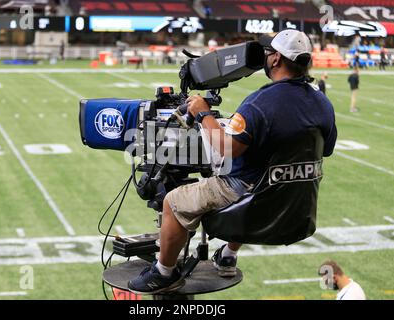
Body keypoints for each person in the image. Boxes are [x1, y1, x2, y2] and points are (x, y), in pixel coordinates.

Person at [128, 30, 337, 294]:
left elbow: (226, 148)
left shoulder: (260, 102)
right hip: (292, 195)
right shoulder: (322, 102)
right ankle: (228, 254)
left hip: (250, 190)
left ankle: (163, 273)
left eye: (269, 52)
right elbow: (324, 149)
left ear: (275, 60)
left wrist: (203, 113)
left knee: (173, 202)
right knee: (255, 182)